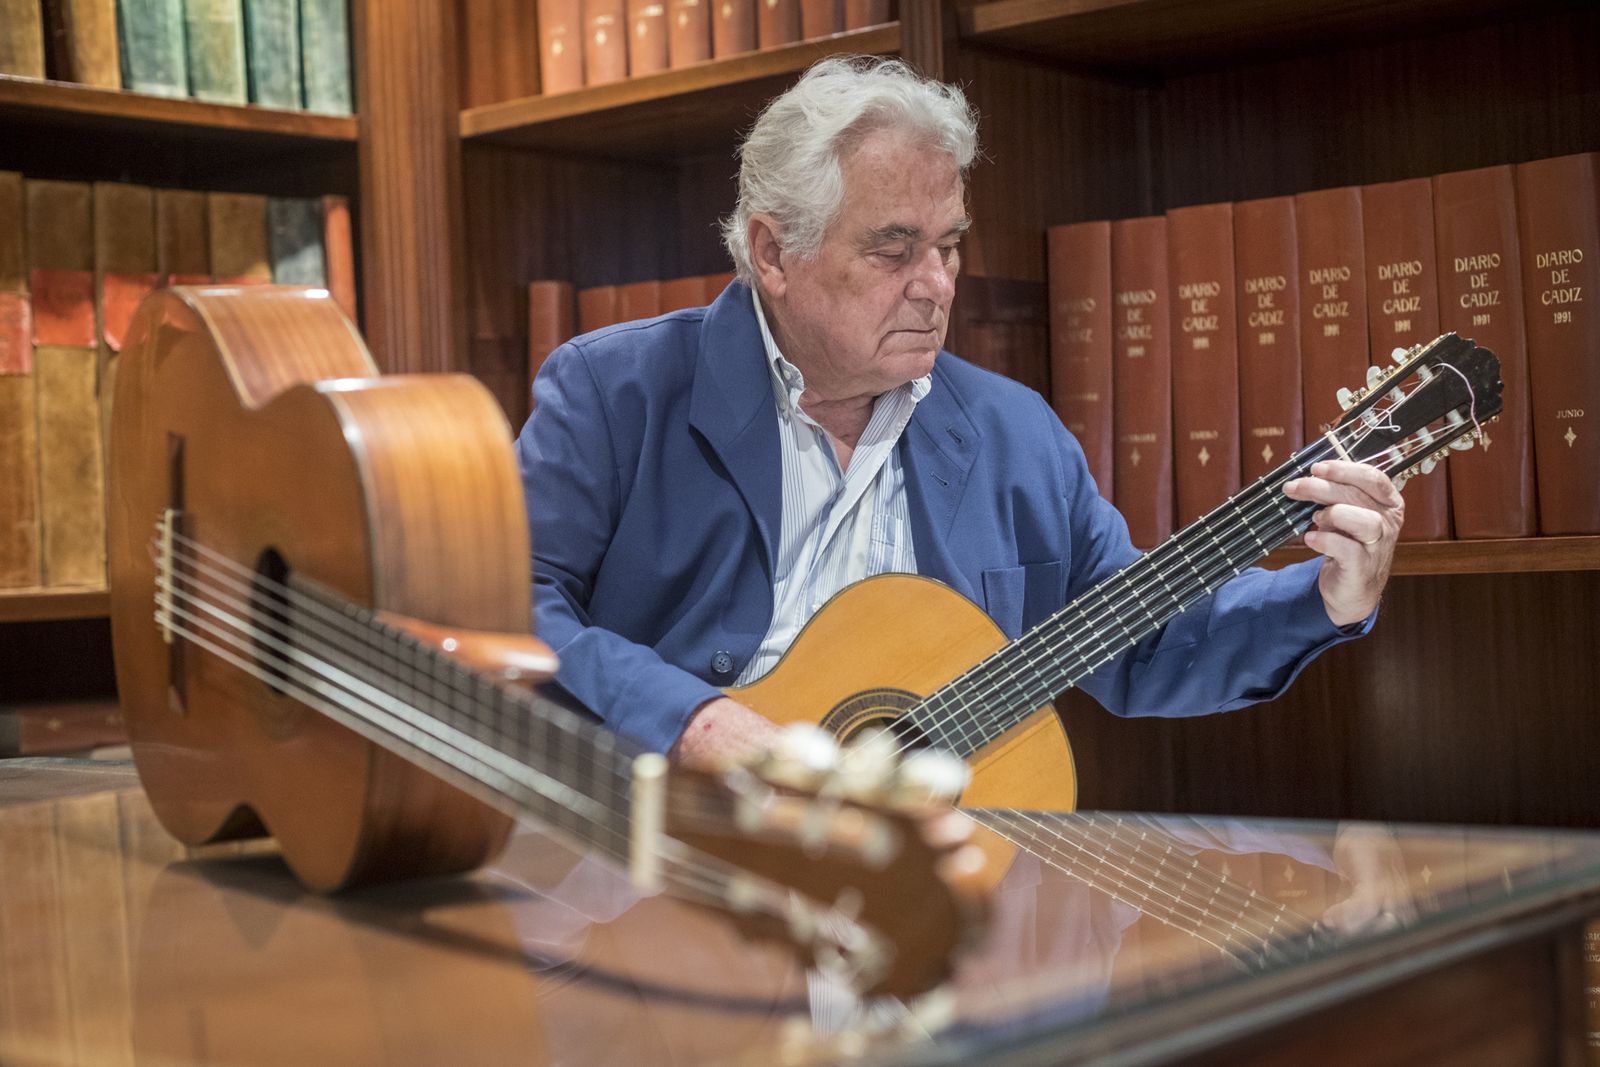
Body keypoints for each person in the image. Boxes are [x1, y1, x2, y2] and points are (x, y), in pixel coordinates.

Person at [514, 55, 1403, 769]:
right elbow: (507, 603)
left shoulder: (1015, 435)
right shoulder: (612, 393)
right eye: (893, 250)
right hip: (659, 880)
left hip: (924, 904)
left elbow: (1141, 643)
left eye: (948, 247)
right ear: (773, 250)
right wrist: (694, 720)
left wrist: (1324, 597)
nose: (936, 285)